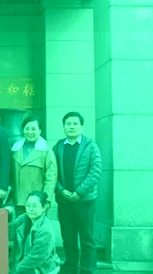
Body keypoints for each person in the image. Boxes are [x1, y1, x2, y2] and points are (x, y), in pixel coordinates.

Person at [53, 111, 102, 274]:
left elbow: (95, 171)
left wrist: (79, 192)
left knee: (87, 238)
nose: (71, 127)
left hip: (85, 201)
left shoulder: (90, 146)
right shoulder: (58, 147)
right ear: (63, 127)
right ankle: (70, 268)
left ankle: (88, 269)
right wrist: (61, 191)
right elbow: (52, 173)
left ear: (81, 126)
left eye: (75, 124)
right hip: (64, 201)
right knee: (68, 238)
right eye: (68, 124)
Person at [11, 115, 57, 216]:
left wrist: (47, 199)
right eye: (27, 129)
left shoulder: (46, 151)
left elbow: (51, 178)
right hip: (18, 200)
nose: (30, 132)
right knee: (20, 225)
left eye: (33, 129)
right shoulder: (15, 149)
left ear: (40, 131)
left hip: (37, 202)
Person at [8, 191, 61, 274]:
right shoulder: (24, 219)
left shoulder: (45, 230)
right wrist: (9, 215)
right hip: (22, 263)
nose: (30, 209)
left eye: (34, 206)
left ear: (43, 208)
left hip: (41, 266)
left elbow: (36, 258)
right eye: (28, 205)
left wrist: (17, 269)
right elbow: (8, 234)